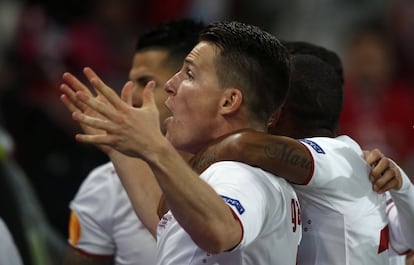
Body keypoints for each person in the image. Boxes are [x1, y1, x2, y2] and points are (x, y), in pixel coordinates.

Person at [62, 21, 302, 264]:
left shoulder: (240, 175)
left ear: (229, 101)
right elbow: (179, 233)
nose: (170, 85)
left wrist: (153, 147)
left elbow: (220, 231)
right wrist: (121, 146)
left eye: (189, 74)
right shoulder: (240, 176)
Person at [186, 41, 394, 265]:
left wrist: (182, 166)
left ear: (276, 113)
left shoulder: (334, 155)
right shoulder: (348, 158)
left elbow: (243, 145)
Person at [59, 19, 205, 264]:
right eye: (131, 81)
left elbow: (204, 242)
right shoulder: (106, 183)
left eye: (147, 81)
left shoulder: (238, 175)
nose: (133, 96)